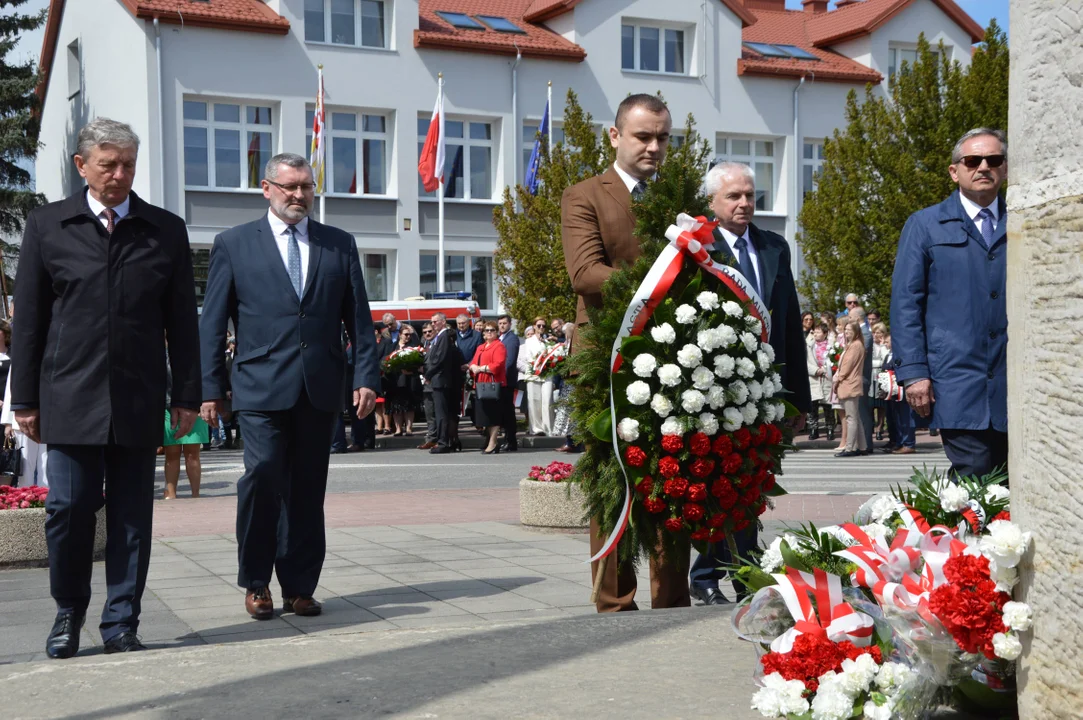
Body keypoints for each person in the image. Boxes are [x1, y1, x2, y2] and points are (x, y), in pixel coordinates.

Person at [12, 118, 200, 658]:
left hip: (138, 396)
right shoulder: (49, 225)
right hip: (69, 394)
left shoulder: (164, 229)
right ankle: (68, 611)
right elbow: (29, 321)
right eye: (108, 164)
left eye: (128, 165)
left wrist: (187, 395)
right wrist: (24, 398)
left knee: (131, 516)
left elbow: (181, 321)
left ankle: (121, 622)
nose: (119, 174)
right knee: (68, 508)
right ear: (82, 166)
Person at [199, 152, 379, 621]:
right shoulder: (234, 244)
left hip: (319, 387)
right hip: (259, 385)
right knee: (263, 477)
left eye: (306, 187)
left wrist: (365, 377)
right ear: (267, 189)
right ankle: (256, 580)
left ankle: (299, 586)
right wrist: (210, 388)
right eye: (290, 187)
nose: (299, 195)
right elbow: (212, 323)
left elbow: (358, 320)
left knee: (306, 489)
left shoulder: (338, 244)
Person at [562, 93, 686, 612]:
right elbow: (585, 273)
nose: (654, 147)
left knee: (675, 474)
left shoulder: (679, 201)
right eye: (643, 136)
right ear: (614, 136)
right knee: (613, 477)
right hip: (606, 357)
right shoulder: (585, 194)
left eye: (663, 137)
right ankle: (614, 603)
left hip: (675, 356)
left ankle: (673, 600)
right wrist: (662, 285)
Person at [687, 161, 811, 605]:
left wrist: (800, 399)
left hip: (766, 387)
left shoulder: (774, 246)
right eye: (733, 196)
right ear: (712, 202)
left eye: (749, 195)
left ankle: (743, 571)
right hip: (715, 386)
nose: (744, 203)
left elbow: (790, 322)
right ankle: (706, 574)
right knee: (717, 479)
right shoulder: (698, 245)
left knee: (752, 481)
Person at [891, 128, 1008, 480]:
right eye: (973, 160)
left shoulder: (1025, 222)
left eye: (993, 160)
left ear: (1005, 168)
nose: (983, 167)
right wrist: (914, 373)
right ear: (955, 171)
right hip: (956, 381)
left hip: (1013, 380)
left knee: (1014, 480)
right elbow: (906, 304)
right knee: (974, 475)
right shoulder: (925, 225)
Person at [163, 342, 209, 499]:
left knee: (192, 453)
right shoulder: (160, 353)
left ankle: (195, 495)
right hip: (168, 407)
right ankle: (171, 495)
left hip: (193, 406)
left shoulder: (197, 352)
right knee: (171, 453)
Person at [423, 312, 461, 454]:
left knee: (441, 413)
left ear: (443, 322)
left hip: (441, 379)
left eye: (435, 321)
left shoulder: (444, 336)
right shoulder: (439, 336)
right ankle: (447, 441)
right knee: (442, 412)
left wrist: (428, 374)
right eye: (432, 322)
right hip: (439, 379)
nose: (433, 324)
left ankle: (443, 442)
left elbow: (440, 358)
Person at [468, 321, 507, 455]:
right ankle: (489, 439)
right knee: (485, 415)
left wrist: (481, 368)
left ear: (496, 332)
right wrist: (473, 367)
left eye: (492, 330)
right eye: (487, 330)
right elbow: (473, 362)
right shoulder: (481, 347)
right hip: (481, 383)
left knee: (494, 414)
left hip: (493, 384)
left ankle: (493, 442)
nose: (489, 332)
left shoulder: (499, 346)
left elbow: (498, 365)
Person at [834, 321, 868, 457]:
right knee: (855, 416)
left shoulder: (855, 345)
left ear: (856, 331)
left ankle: (850, 448)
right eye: (845, 329)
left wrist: (838, 379)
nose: (846, 332)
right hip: (851, 383)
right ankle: (862, 446)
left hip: (850, 383)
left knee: (851, 418)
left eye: (849, 330)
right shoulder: (855, 344)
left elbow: (847, 366)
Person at [387, 324, 422, 436]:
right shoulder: (392, 346)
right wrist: (390, 365)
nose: (408, 337)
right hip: (395, 380)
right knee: (396, 405)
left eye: (410, 335)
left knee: (409, 405)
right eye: (406, 334)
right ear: (400, 335)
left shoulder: (414, 346)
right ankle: (398, 429)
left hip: (409, 379)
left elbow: (419, 362)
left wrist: (411, 369)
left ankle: (408, 428)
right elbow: (386, 359)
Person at [849, 306, 875, 454]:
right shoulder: (860, 333)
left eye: (851, 318)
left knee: (863, 412)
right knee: (857, 412)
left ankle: (866, 445)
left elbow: (860, 355)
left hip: (861, 377)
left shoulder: (865, 334)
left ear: (858, 318)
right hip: (856, 377)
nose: (849, 320)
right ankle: (861, 443)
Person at [524, 317, 554, 436]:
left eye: (543, 326)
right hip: (534, 373)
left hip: (547, 374)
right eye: (539, 325)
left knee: (547, 401)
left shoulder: (548, 341)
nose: (541, 327)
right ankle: (536, 428)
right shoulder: (529, 341)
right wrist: (539, 363)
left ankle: (548, 428)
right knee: (534, 401)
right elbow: (528, 357)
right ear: (534, 326)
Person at [806, 323, 834, 442]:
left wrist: (826, 369)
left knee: (828, 405)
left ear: (825, 334)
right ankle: (813, 429)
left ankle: (830, 428)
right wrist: (816, 370)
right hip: (814, 378)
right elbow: (805, 362)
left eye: (819, 332)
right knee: (813, 406)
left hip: (826, 378)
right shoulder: (808, 345)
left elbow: (834, 360)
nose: (816, 334)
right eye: (815, 332)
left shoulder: (831, 346)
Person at [497, 314, 520, 452]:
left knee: (508, 412)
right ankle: (507, 439)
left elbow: (509, 361)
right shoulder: (501, 338)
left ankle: (511, 441)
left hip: (506, 381)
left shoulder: (511, 339)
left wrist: (500, 376)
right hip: (501, 381)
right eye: (500, 323)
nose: (502, 325)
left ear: (510, 324)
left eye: (504, 323)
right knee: (503, 412)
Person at [416, 322, 439, 450]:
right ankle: (431, 439)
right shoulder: (423, 345)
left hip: (437, 383)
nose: (428, 334)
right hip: (426, 385)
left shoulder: (438, 343)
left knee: (439, 413)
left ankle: (441, 438)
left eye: (430, 331)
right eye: (425, 332)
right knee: (429, 413)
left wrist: (425, 370)